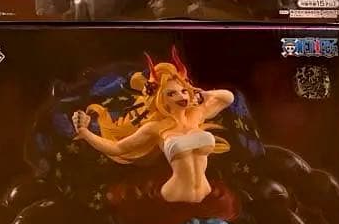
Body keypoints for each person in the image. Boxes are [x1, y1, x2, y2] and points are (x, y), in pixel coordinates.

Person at [72, 48, 233, 203]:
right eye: (171, 93)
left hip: (205, 193)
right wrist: (85, 132)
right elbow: (117, 148)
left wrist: (204, 93)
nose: (181, 96)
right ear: (161, 99)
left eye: (183, 91)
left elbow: (228, 98)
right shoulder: (156, 127)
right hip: (173, 194)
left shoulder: (196, 114)